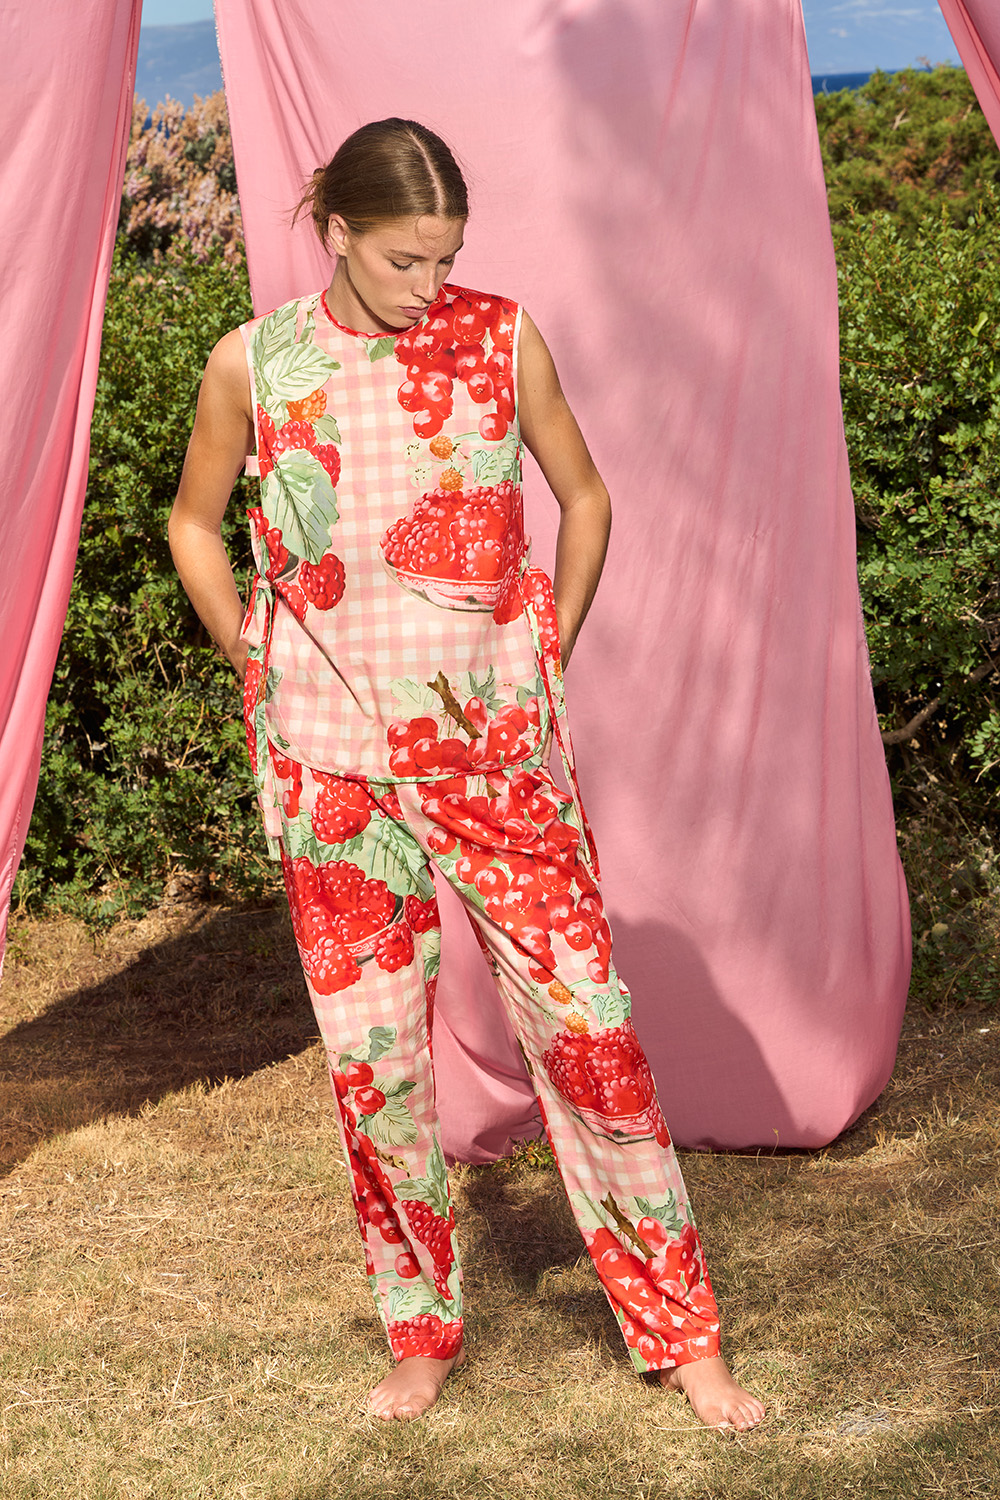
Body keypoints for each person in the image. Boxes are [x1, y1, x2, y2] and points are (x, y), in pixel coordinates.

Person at [168, 118, 765, 1431]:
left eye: (444, 257)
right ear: (338, 233)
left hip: (494, 758)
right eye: (403, 260)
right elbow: (193, 523)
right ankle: (421, 1334)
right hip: (333, 774)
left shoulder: (501, 338)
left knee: (591, 1035)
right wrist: (254, 660)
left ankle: (684, 1337)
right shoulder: (255, 363)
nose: (428, 285)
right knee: (375, 1066)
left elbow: (586, 497)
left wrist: (549, 650)